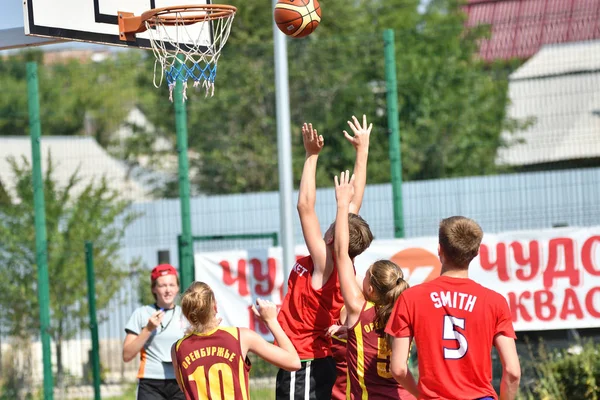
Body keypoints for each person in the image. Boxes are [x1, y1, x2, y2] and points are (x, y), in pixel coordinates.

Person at [276, 116, 374, 400]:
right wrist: (362, 151)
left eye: (334, 224)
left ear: (333, 236)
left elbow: (304, 206)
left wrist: (311, 156)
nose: (332, 223)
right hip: (310, 357)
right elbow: (353, 202)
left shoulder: (325, 260)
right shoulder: (343, 259)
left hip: (306, 361)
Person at [386, 216, 521, 400]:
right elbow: (513, 372)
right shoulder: (495, 302)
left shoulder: (411, 298)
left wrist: (421, 395)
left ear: (440, 249)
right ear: (475, 253)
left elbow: (398, 368)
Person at [333, 170, 418, 399]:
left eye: (367, 275)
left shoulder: (358, 308)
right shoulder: (406, 313)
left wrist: (343, 206)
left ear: (370, 289)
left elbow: (341, 252)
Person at [171, 281, 301, 399]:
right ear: (215, 307)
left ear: (188, 315)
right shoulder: (240, 337)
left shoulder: (178, 348)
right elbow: (294, 362)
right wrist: (271, 321)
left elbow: (185, 387)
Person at [123, 264, 188, 400]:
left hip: (180, 382)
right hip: (151, 383)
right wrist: (148, 329)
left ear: (177, 288)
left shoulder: (185, 314)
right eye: (162, 285)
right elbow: (127, 355)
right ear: (154, 288)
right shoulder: (141, 313)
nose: (168, 290)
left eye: (172, 285)